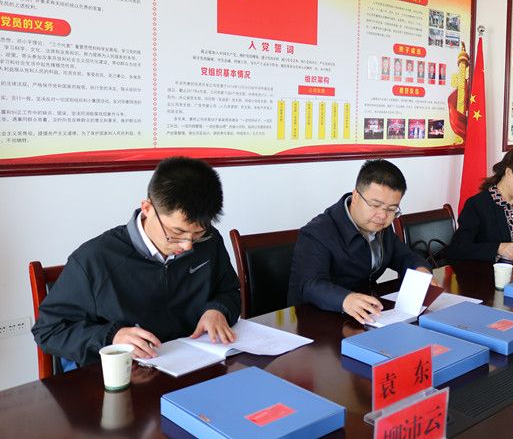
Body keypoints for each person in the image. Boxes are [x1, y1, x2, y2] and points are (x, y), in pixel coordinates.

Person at [31, 157, 241, 368]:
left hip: (197, 366)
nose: (187, 245)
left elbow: (229, 290)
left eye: (197, 234)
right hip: (127, 375)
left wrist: (217, 310)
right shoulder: (95, 259)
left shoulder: (209, 241)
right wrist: (112, 337)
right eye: (176, 232)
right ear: (147, 208)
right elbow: (48, 330)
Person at [287, 159, 433, 324]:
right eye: (375, 205)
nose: (382, 216)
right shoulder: (317, 233)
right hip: (318, 321)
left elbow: (404, 256)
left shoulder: (380, 227)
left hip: (365, 316)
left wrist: (420, 269)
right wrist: (345, 299)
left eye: (391, 209)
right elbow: (310, 284)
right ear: (356, 196)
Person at [446, 146, 513, 263]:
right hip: (486, 271)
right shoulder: (478, 205)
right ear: (509, 172)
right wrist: (497, 248)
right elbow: (458, 248)